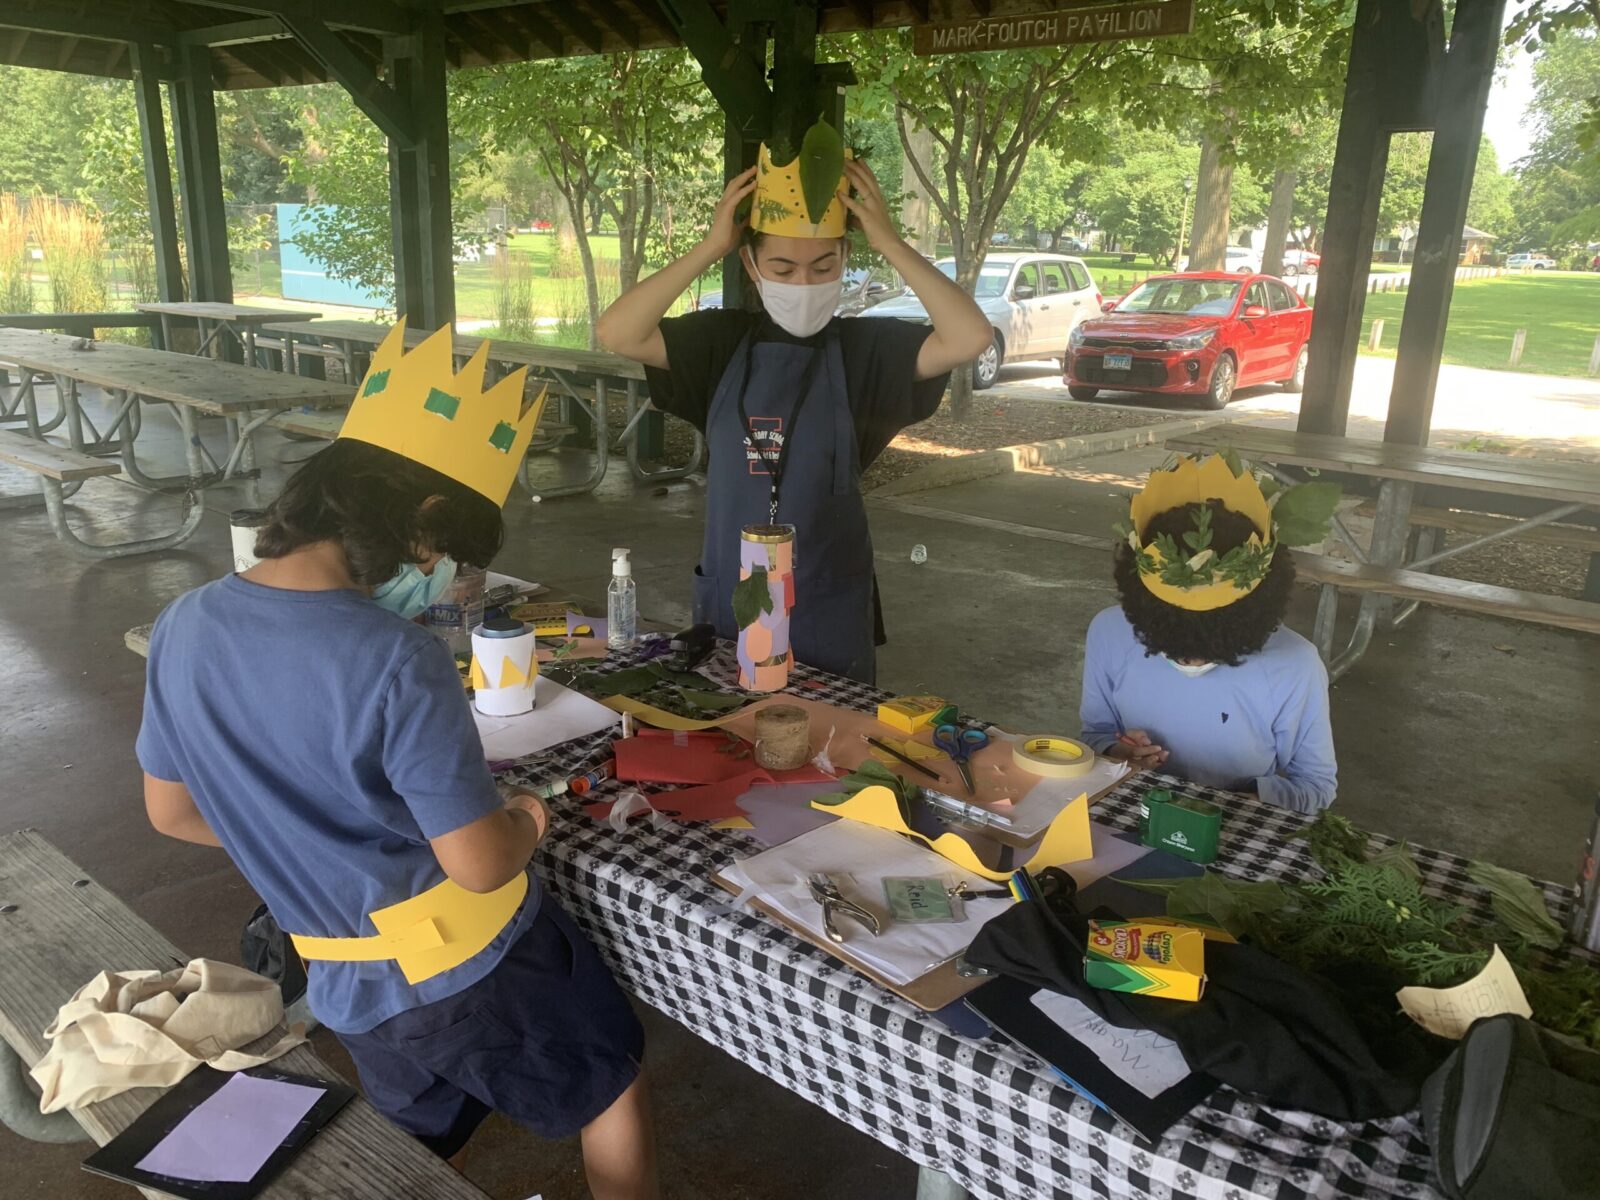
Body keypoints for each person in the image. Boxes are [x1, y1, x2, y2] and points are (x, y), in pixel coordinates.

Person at [136, 325, 657, 1200]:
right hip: (468, 961)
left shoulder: (182, 622)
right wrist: (528, 814)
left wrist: (307, 853)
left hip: (343, 978)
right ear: (420, 525)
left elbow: (173, 812)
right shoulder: (394, 656)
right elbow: (481, 865)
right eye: (451, 556)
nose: (449, 578)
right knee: (609, 1085)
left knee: (421, 1135)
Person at [596, 146, 991, 684]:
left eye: (824, 266)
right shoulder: (719, 342)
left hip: (826, 608)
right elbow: (617, 331)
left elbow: (969, 336)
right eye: (783, 267)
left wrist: (891, 243)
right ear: (751, 265)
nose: (804, 284)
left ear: (845, 259)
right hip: (732, 605)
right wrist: (711, 246)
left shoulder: (865, 352)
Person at [1079, 454, 1337, 813]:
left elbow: (1315, 786)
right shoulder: (1110, 632)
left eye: (1212, 652)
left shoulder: (1295, 666)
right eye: (1170, 648)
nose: (1191, 662)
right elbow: (1094, 734)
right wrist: (1117, 751)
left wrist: (1234, 807)